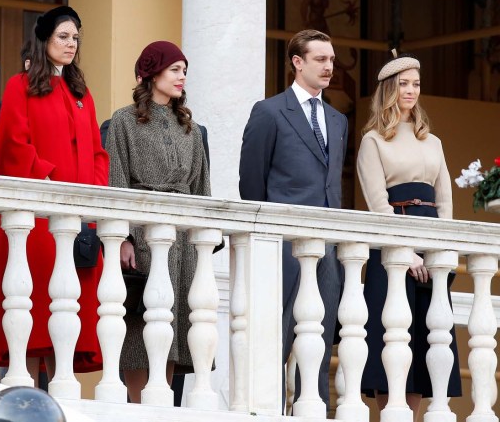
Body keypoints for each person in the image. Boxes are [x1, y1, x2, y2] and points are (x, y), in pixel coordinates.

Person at [0, 6, 108, 385]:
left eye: (75, 39)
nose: (71, 45)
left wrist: (94, 191)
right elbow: (14, 144)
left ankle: (59, 393)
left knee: (72, 308)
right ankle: (25, 390)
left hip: (77, 218)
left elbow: (99, 153)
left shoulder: (81, 91)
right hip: (36, 217)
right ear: (45, 40)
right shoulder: (20, 85)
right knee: (33, 306)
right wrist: (51, 180)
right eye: (63, 37)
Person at [238, 29, 348, 409]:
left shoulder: (337, 120)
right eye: (320, 59)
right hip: (282, 247)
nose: (329, 66)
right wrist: (269, 239)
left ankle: (312, 411)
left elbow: (332, 184)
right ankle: (264, 411)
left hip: (328, 249)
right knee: (275, 339)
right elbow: (251, 182)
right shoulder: (268, 112)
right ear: (297, 63)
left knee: (318, 339)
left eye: (331, 59)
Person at [105, 40, 211, 403]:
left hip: (183, 239)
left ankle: (162, 402)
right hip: (142, 234)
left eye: (184, 71)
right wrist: (122, 238)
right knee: (140, 323)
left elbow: (201, 190)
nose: (182, 77)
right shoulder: (123, 120)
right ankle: (137, 404)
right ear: (153, 73)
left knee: (175, 323)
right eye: (175, 69)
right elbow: (116, 180)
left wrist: (203, 243)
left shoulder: (191, 129)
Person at [357, 52, 461, 421]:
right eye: (404, 84)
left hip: (430, 246)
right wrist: (406, 254)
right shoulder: (373, 141)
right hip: (394, 252)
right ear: (389, 88)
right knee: (392, 343)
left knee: (424, 346)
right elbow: (378, 206)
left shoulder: (432, 141)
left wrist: (436, 255)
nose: (411, 91)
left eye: (416, 84)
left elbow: (445, 201)